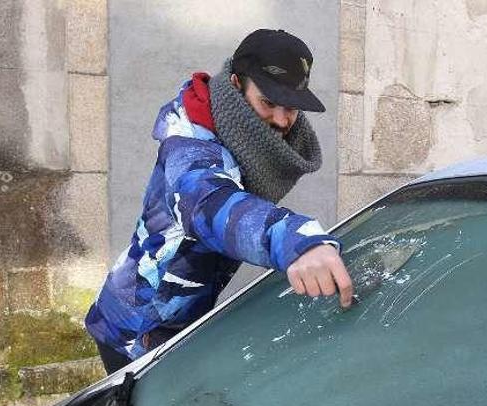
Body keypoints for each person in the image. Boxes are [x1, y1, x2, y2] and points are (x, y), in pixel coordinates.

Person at [85, 29, 353, 374]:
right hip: (138, 324)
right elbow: (207, 203)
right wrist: (295, 240)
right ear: (236, 84)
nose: (283, 121)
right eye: (269, 102)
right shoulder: (188, 144)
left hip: (184, 315)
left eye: (292, 107)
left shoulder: (244, 138)